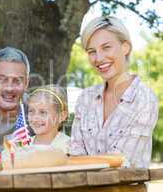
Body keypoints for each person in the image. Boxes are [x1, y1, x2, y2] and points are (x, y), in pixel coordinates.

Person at [70, 16, 159, 168]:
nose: (99, 58)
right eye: (92, 51)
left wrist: (79, 162)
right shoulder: (85, 99)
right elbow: (74, 155)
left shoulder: (144, 99)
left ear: (125, 47)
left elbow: (119, 162)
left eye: (106, 47)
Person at [28, 85, 70, 153]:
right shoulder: (24, 145)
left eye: (42, 112)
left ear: (62, 116)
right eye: (31, 111)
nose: (35, 118)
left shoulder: (69, 147)